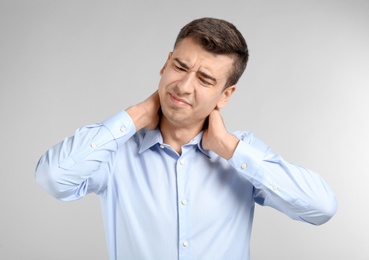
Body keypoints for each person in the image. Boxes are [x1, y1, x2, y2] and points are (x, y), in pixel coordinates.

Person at [35, 17, 337, 260]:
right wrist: (135, 116)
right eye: (180, 67)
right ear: (166, 64)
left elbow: (321, 208)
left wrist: (230, 149)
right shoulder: (117, 150)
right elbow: (53, 178)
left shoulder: (242, 155)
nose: (184, 86)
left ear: (226, 95)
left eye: (205, 79)